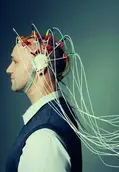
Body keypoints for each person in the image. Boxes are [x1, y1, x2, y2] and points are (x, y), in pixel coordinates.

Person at [5, 32, 82, 172]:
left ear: (40, 65)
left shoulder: (44, 139)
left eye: (15, 62)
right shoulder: (56, 113)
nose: (8, 69)